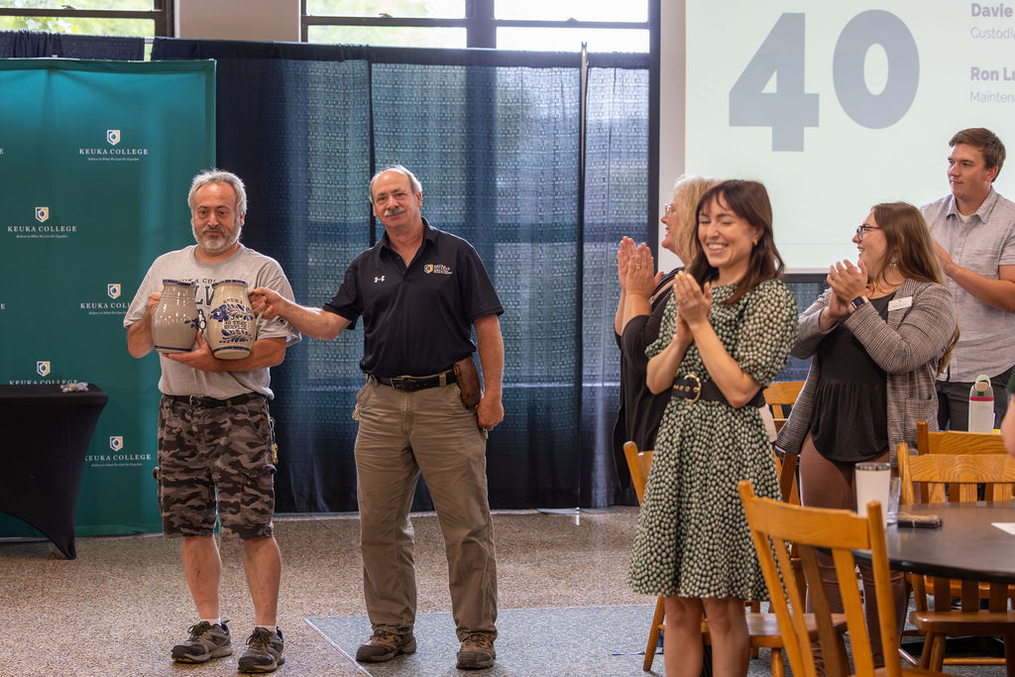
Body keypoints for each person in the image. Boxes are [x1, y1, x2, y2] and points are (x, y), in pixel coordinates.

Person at [249, 165, 504, 670]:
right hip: (383, 405)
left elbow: (487, 326)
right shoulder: (366, 265)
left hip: (448, 402)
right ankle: (391, 630)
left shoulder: (457, 254)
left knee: (467, 525)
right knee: (380, 527)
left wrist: (492, 394)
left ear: (417, 197)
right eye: (381, 198)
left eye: (398, 194)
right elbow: (327, 325)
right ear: (373, 208)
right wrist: (283, 306)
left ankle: (476, 635)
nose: (391, 203)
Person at [124, 169, 300, 673]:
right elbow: (136, 345)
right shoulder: (165, 267)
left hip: (241, 413)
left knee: (252, 526)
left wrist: (215, 362)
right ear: (192, 215)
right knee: (192, 525)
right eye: (204, 211)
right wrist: (148, 317)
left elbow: (275, 350)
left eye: (223, 211)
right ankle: (210, 626)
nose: (213, 220)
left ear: (240, 216)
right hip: (178, 412)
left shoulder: (262, 270)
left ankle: (266, 632)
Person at [628, 179, 797, 677]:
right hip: (678, 440)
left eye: (725, 221)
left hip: (730, 450)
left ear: (757, 231)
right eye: (705, 221)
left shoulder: (770, 298)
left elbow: (741, 389)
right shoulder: (693, 287)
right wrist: (681, 333)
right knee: (678, 605)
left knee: (722, 606)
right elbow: (655, 380)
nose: (711, 232)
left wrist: (700, 325)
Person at [777, 202, 957, 668]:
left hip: (886, 444)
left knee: (882, 561)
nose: (856, 238)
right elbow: (795, 343)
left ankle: (880, 664)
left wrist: (855, 304)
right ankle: (824, 662)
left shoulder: (931, 297)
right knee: (822, 552)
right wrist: (827, 314)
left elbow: (899, 355)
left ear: (896, 242)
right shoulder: (845, 286)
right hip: (825, 432)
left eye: (866, 230)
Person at [612, 175, 717, 488]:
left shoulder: (697, 285)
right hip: (646, 417)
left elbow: (643, 349)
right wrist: (628, 291)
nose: (664, 217)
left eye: (672, 208)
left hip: (671, 426)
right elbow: (623, 337)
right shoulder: (676, 275)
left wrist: (636, 295)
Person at [921, 128, 1015, 431]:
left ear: (991, 172)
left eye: (965, 164)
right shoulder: (926, 217)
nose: (953, 172)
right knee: (919, 466)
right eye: (951, 162)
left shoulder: (1011, 221)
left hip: (985, 370)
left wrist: (953, 270)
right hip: (928, 368)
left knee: (978, 472)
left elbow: (1012, 297)